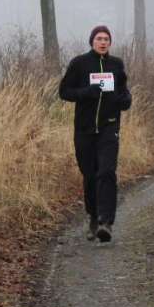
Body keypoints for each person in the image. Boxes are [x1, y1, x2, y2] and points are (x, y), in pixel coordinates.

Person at [59, 26, 132, 243]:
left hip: (109, 127)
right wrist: (85, 93)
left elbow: (123, 89)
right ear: (92, 41)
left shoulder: (116, 64)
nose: (103, 42)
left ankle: (105, 222)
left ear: (110, 42)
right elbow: (64, 91)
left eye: (106, 39)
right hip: (84, 129)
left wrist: (126, 99)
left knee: (107, 172)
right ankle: (93, 216)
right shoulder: (80, 64)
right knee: (90, 175)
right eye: (99, 39)